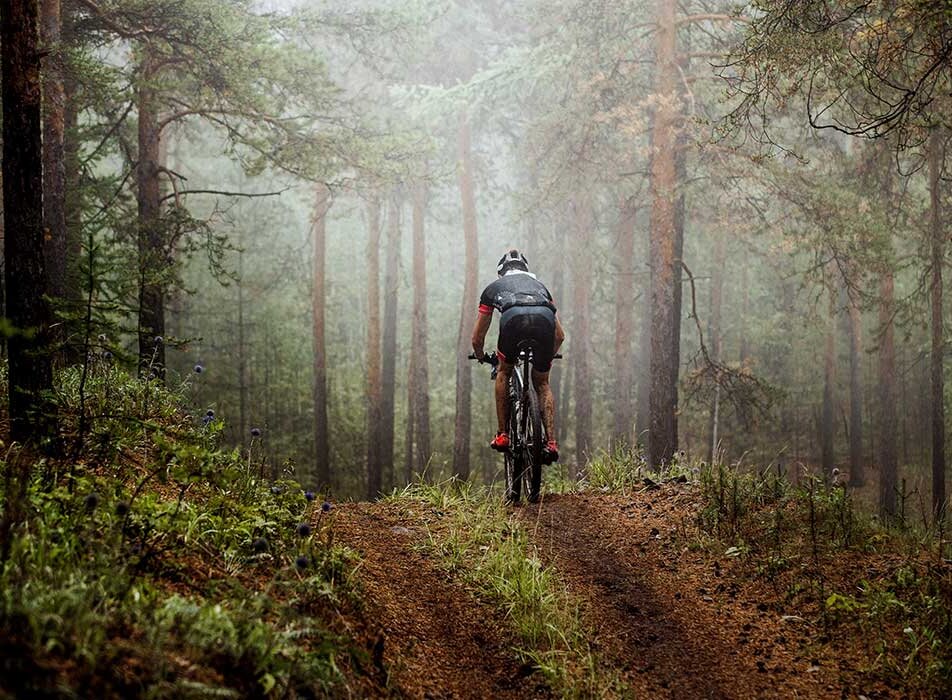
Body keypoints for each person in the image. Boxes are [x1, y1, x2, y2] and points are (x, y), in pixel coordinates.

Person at [470, 248, 565, 462]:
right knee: (542, 383)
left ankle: (503, 435)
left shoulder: (493, 288)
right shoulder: (541, 288)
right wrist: (548, 357)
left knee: (504, 371)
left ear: (501, 271)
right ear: (526, 270)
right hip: (544, 320)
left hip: (513, 319)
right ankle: (550, 442)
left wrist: (481, 355)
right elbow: (559, 336)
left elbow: (477, 338)